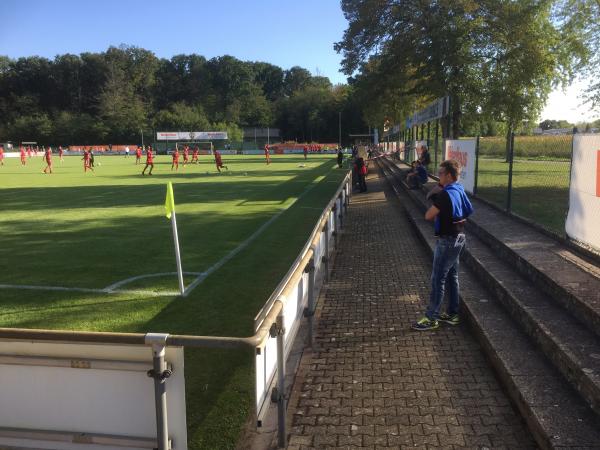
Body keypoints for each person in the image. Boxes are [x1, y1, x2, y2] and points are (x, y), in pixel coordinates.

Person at [412, 159, 474, 331]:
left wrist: (438, 196)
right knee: (452, 276)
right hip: (459, 237)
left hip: (447, 240)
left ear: (448, 175)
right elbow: (469, 210)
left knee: (438, 278)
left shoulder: (446, 194)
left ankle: (432, 317)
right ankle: (453, 314)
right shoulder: (459, 188)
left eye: (440, 173)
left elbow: (428, 215)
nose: (438, 176)